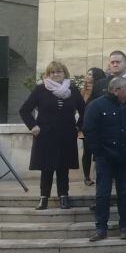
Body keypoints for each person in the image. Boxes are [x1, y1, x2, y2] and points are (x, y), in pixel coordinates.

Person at [20, 61, 86, 210]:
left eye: (59, 72)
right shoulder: (40, 90)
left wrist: (78, 127)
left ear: (65, 73)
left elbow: (84, 111)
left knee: (63, 167)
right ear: (48, 75)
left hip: (66, 135)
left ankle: (64, 197)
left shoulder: (73, 90)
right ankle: (44, 198)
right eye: (52, 72)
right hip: (45, 135)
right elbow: (24, 110)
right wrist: (33, 126)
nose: (56, 75)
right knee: (46, 167)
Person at [83, 77, 126, 241]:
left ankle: (125, 227)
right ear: (116, 90)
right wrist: (99, 152)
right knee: (103, 194)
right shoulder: (97, 105)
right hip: (105, 158)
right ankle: (101, 228)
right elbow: (89, 131)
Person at [80, 67, 106, 185]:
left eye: (90, 74)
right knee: (87, 151)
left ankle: (99, 175)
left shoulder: (100, 90)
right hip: (85, 124)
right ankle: (86, 177)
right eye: (87, 73)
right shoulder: (82, 91)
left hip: (99, 125)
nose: (87, 76)